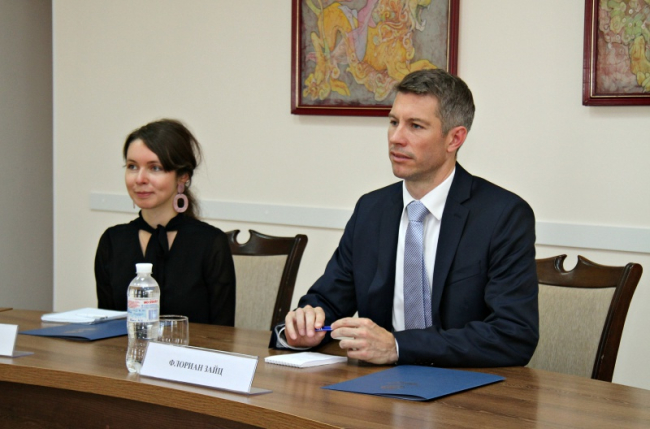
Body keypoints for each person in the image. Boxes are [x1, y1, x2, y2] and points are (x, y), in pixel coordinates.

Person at [278, 69, 539, 367]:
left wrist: (399, 347)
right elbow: (328, 301)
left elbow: (513, 335)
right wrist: (305, 324)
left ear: (454, 138)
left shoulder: (503, 215)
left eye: (415, 126)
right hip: (375, 385)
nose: (396, 138)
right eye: (393, 122)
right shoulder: (371, 210)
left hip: (469, 385)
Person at [95, 119, 236, 325]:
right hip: (126, 347)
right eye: (132, 166)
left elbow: (223, 333)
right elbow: (106, 327)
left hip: (192, 347)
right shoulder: (112, 241)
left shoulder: (210, 243)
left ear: (182, 176)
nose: (140, 179)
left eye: (155, 168)